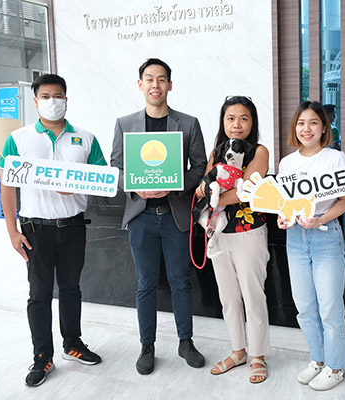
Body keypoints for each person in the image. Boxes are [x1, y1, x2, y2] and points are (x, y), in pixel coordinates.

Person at [0, 74, 105, 386]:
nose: (52, 101)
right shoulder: (18, 139)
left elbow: (102, 179)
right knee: (39, 295)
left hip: (73, 227)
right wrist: (12, 231)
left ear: (66, 100)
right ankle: (42, 356)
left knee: (71, 289)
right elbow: (7, 186)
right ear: (35, 102)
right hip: (36, 231)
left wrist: (77, 186)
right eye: (45, 96)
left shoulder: (86, 138)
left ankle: (72, 344)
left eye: (57, 96)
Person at [110, 58, 207, 375]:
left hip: (175, 216)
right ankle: (147, 346)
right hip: (141, 217)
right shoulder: (125, 124)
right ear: (140, 85)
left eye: (161, 79)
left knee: (181, 282)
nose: (156, 85)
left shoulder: (188, 123)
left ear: (170, 85)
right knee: (145, 284)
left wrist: (175, 184)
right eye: (149, 79)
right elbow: (116, 168)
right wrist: (135, 186)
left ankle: (186, 342)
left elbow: (200, 166)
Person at [277, 101, 345, 391]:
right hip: (295, 239)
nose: (306, 129)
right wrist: (283, 218)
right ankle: (318, 359)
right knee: (305, 307)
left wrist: (320, 218)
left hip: (325, 236)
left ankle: (336, 366)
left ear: (323, 128)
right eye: (301, 123)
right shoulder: (287, 163)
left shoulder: (335, 158)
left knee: (330, 308)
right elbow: (284, 203)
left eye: (313, 123)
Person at [196, 96, 270, 383]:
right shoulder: (216, 151)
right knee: (228, 298)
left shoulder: (259, 152)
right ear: (223, 122)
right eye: (230, 118)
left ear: (252, 122)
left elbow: (245, 192)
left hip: (248, 232)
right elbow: (204, 188)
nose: (236, 124)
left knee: (253, 296)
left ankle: (258, 356)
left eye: (243, 118)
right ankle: (238, 351)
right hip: (218, 232)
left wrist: (215, 196)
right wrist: (210, 193)